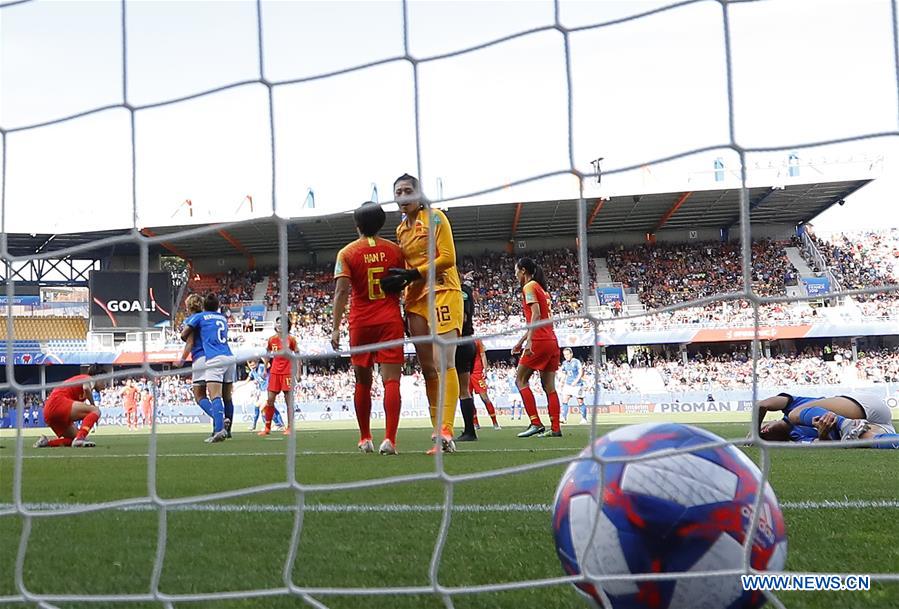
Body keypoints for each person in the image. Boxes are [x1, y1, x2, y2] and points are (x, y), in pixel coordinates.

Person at [383, 173, 463, 455]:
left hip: (442, 291)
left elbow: (448, 258)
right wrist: (401, 281)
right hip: (415, 299)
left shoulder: (436, 218)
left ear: (418, 194)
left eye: (407, 191)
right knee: (428, 366)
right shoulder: (400, 230)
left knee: (445, 361)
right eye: (398, 192)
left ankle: (447, 430)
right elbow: (406, 267)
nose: (402, 196)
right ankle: (437, 430)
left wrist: (414, 272)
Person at [331, 201, 405, 455]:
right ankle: (390, 440)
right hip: (390, 320)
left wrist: (335, 328)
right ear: (382, 223)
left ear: (357, 224)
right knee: (391, 380)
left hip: (361, 323)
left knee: (363, 381)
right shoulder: (396, 250)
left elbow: (341, 291)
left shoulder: (347, 253)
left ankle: (365, 438)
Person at [512, 257, 562, 438]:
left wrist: (529, 342)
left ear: (523, 270)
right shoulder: (542, 289)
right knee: (549, 386)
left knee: (520, 380)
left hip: (540, 340)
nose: (515, 275)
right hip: (551, 340)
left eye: (516, 271)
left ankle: (535, 422)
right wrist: (520, 341)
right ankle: (556, 428)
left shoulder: (529, 287)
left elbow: (535, 315)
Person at [755, 391, 899, 447]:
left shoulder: (790, 405)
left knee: (794, 414)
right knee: (861, 440)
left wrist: (755, 434)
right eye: (765, 437)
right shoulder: (798, 438)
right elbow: (825, 445)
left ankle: (845, 423)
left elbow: (762, 405)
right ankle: (847, 426)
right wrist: (823, 433)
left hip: (863, 407)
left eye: (762, 431)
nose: (765, 432)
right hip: (872, 428)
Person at [183, 293, 235, 443]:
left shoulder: (199, 317)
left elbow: (185, 336)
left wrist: (181, 359)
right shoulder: (222, 318)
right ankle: (228, 431)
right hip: (229, 357)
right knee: (227, 397)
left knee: (213, 396)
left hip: (212, 358)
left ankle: (219, 428)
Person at [33, 365, 105, 448]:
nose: (105, 385)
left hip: (49, 410)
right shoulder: (90, 379)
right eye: (105, 381)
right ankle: (80, 438)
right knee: (96, 411)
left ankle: (46, 443)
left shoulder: (81, 380)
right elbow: (86, 387)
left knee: (74, 438)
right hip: (58, 402)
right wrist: (93, 405)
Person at [258, 316, 298, 436]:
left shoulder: (291, 339)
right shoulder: (271, 340)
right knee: (270, 400)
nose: (279, 325)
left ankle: (290, 427)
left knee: (288, 401)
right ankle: (267, 427)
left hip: (287, 373)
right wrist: (265, 369)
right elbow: (267, 354)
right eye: (277, 323)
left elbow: (298, 355)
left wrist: (298, 372)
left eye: (282, 323)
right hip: (274, 372)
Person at [454, 274, 479, 441]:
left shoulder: (460, 292)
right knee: (463, 390)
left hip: (460, 342)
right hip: (467, 342)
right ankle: (469, 428)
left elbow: (462, 318)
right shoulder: (466, 291)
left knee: (462, 390)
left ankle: (469, 430)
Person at [470, 338, 500, 430]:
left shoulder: (477, 340)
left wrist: (485, 369)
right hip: (465, 372)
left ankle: (495, 423)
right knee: (469, 399)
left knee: (485, 397)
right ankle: (475, 423)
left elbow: (483, 355)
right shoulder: (458, 340)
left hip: (477, 372)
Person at [559, 348, 587, 425]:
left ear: (571, 354)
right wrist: (561, 382)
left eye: (567, 354)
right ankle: (563, 418)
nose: (566, 356)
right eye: (565, 355)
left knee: (580, 401)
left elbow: (580, 372)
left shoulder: (576, 362)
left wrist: (576, 381)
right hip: (568, 384)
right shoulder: (564, 363)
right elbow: (564, 374)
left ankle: (584, 418)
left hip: (577, 385)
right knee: (565, 400)